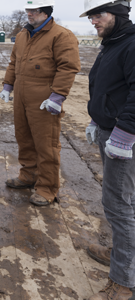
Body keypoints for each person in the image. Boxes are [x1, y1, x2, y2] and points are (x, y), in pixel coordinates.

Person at [0, 0, 81, 206]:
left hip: (44, 98)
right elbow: (13, 62)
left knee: (46, 144)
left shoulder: (62, 35)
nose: (29, 14)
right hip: (21, 95)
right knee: (24, 137)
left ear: (46, 12)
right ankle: (28, 175)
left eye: (34, 10)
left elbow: (68, 67)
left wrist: (57, 96)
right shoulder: (22, 35)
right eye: (28, 10)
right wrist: (8, 85)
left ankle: (47, 188)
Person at [81, 0, 135, 299]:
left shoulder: (130, 44)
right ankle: (122, 252)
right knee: (125, 200)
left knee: (118, 203)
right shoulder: (113, 43)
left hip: (121, 136)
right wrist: (95, 116)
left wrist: (125, 133)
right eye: (91, 16)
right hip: (108, 129)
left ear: (118, 13)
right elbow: (110, 88)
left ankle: (124, 280)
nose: (93, 22)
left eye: (97, 15)